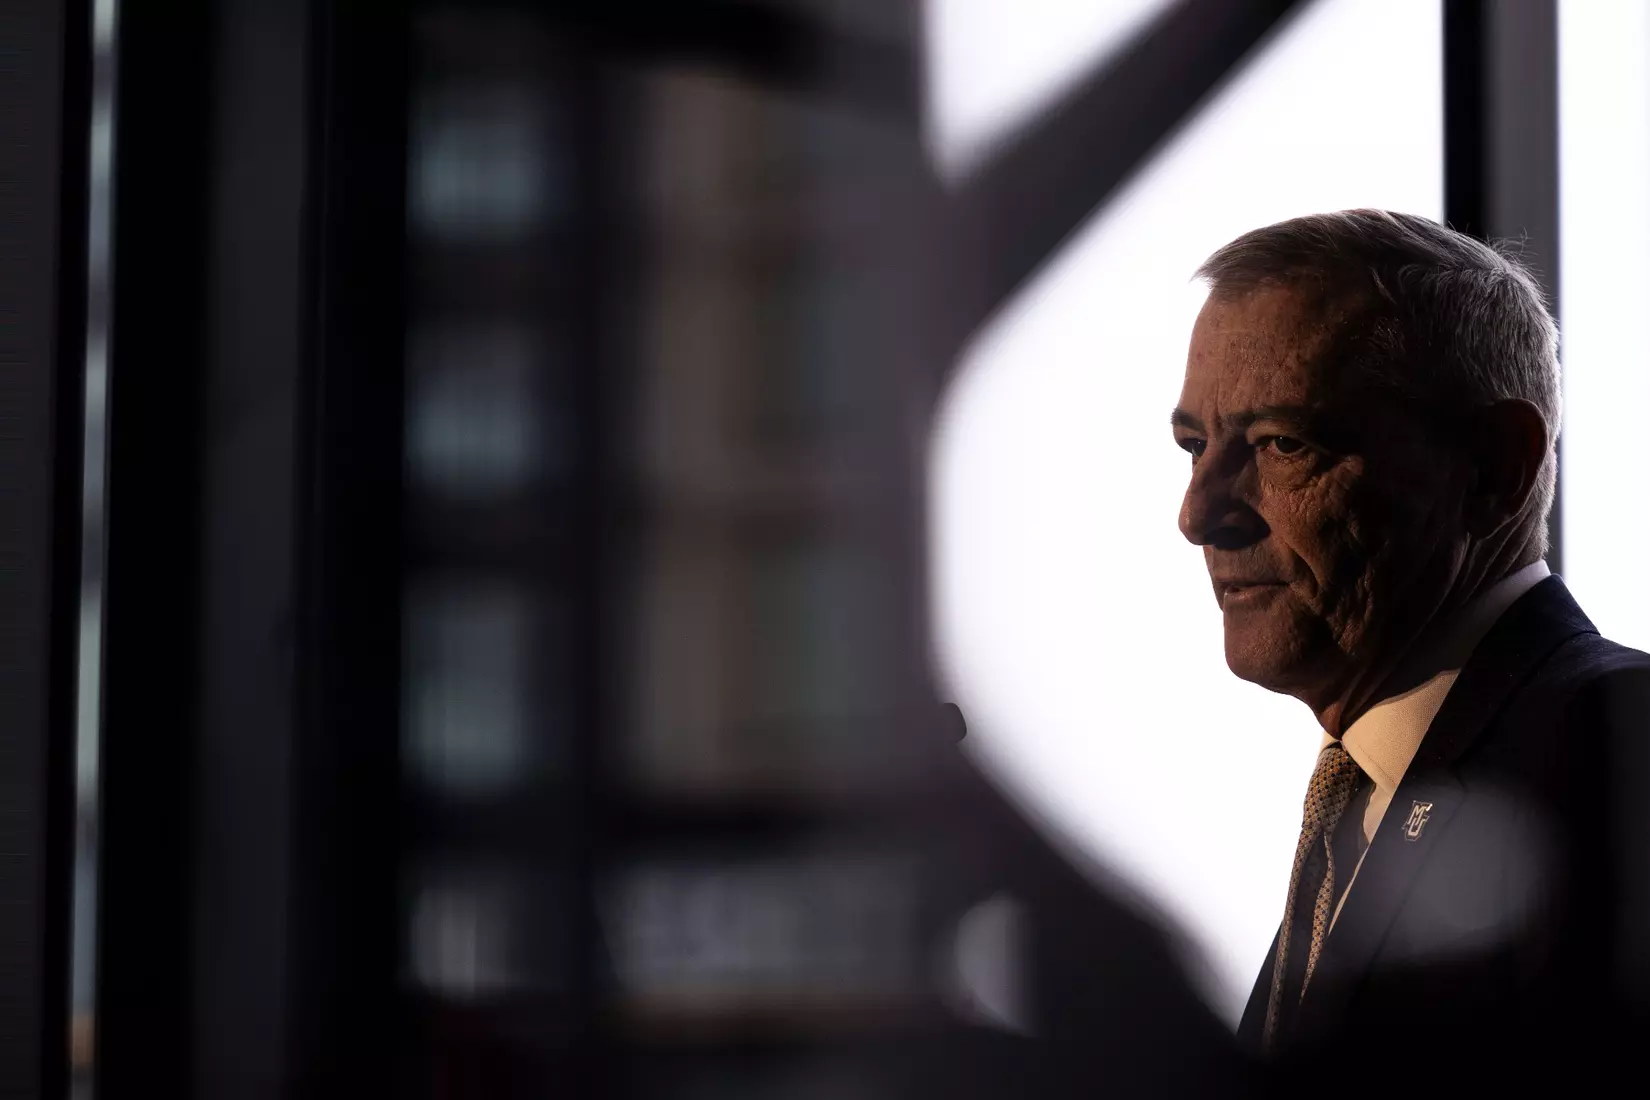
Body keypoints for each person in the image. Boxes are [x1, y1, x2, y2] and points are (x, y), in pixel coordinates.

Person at [1171, 210, 1650, 1089]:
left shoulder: (1623, 742)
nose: (1199, 513)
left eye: (1283, 443)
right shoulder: (1356, 806)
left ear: (1494, 468)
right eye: (1196, 447)